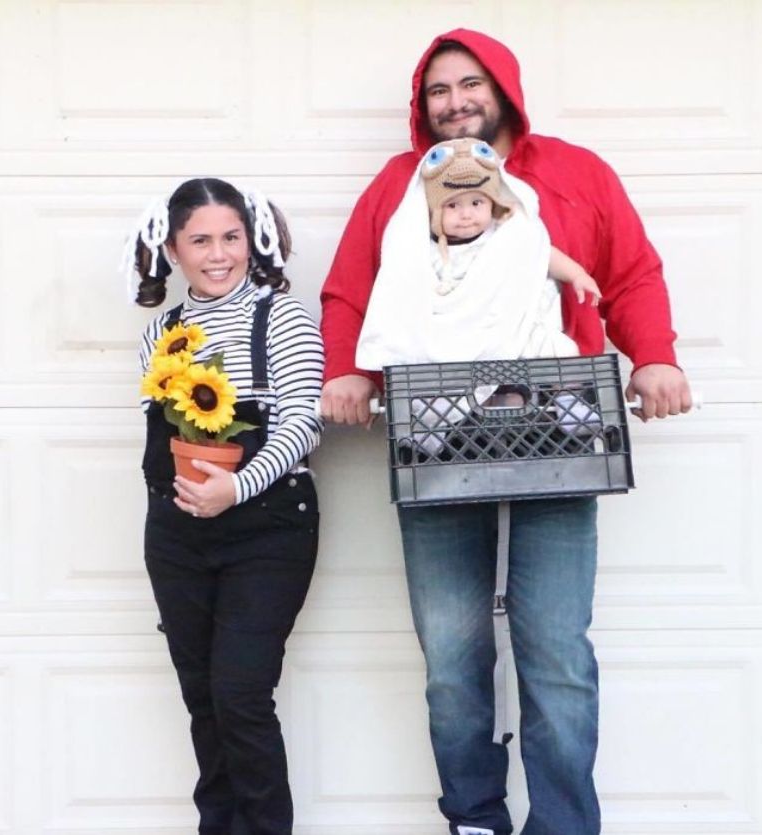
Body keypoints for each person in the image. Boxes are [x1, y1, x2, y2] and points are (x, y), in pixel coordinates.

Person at [319, 28, 692, 835]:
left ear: (504, 89)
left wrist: (653, 357)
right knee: (453, 659)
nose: (454, 104)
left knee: (556, 652)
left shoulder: (575, 173)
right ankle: (473, 818)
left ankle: (563, 825)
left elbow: (629, 272)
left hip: (558, 432)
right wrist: (346, 371)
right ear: (422, 107)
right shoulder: (400, 183)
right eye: (437, 92)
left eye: (469, 85)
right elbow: (352, 286)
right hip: (436, 436)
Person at [124, 177, 324, 835]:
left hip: (266, 529)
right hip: (178, 534)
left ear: (253, 238)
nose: (218, 254)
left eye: (231, 237)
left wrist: (234, 487)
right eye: (200, 240)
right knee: (202, 698)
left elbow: (302, 423)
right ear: (173, 250)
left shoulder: (282, 316)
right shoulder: (164, 328)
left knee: (240, 694)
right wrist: (188, 495)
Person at [356, 135, 601, 369]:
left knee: (557, 349)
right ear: (433, 211)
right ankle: (489, 397)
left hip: (506, 326)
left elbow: (541, 254)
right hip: (453, 340)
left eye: (477, 203)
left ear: (492, 203)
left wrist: (577, 275)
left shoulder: (505, 236)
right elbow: (410, 296)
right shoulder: (424, 251)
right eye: (452, 205)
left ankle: (568, 399)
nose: (466, 214)